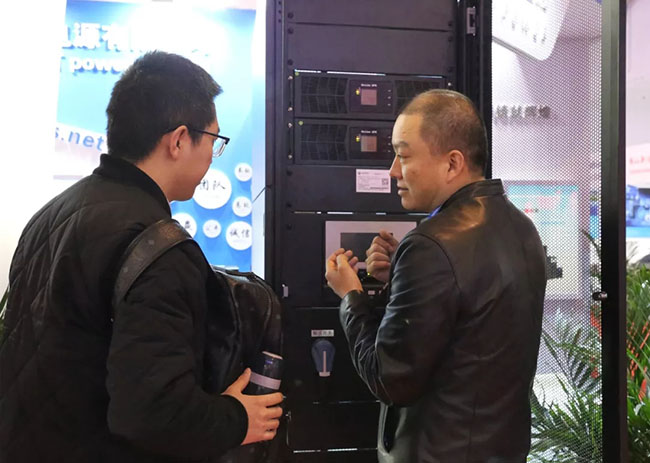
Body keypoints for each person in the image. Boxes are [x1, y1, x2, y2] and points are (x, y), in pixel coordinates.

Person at [0, 51, 282, 463]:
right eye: (214, 140)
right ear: (179, 140)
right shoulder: (159, 247)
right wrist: (238, 419)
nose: (211, 155)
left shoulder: (52, 214)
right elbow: (154, 413)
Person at [325, 89, 547, 462]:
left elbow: (389, 379)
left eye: (403, 155)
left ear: (452, 163)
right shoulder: (522, 228)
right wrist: (401, 275)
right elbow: (472, 327)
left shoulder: (430, 245)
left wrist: (351, 297)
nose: (393, 171)